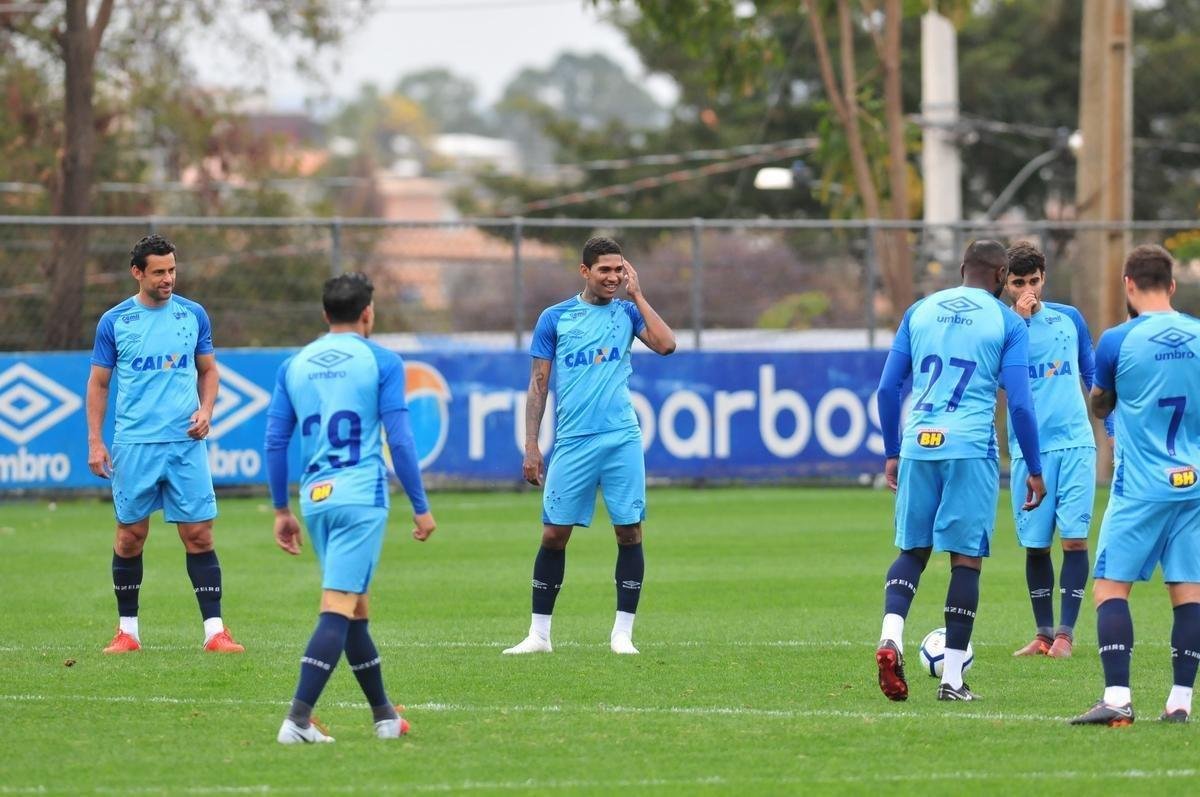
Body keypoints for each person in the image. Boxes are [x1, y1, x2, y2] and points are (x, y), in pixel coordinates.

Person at [264, 272, 436, 744]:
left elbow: (276, 440)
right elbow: (399, 439)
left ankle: (385, 717)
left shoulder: (294, 365)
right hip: (361, 496)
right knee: (338, 604)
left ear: (324, 314)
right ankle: (297, 720)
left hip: (316, 499)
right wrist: (420, 506)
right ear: (367, 314)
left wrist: (281, 509)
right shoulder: (381, 361)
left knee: (355, 605)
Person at [874, 239, 1046, 702]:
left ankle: (891, 635)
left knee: (912, 551)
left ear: (963, 268)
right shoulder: (1008, 321)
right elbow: (1022, 406)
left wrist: (893, 450)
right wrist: (1033, 467)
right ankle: (952, 680)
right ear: (999, 277)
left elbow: (889, 389)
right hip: (970, 447)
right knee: (965, 561)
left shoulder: (920, 311)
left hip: (919, 443)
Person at [503, 236, 676, 656]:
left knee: (629, 532)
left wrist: (638, 293)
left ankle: (622, 634)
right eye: (605, 270)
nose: (614, 277)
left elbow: (667, 344)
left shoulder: (628, 312)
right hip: (573, 441)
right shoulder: (556, 318)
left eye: (620, 269)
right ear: (585, 272)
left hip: (621, 439)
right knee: (553, 535)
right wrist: (531, 444)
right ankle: (539, 635)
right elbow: (538, 385)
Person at [87, 234, 243, 655]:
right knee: (130, 536)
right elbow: (99, 383)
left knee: (199, 535)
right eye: (159, 271)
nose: (168, 278)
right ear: (137, 272)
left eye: (172, 269)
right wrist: (96, 441)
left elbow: (208, 371)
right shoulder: (115, 321)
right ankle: (127, 633)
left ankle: (215, 632)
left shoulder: (193, 315)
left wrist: (206, 410)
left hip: (184, 443)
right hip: (135, 444)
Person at [1070, 245, 1200, 727]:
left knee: (1109, 590)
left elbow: (1100, 403)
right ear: (1171, 285)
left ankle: (1118, 697)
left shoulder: (1117, 340)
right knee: (1189, 592)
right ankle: (1180, 701)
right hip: (1193, 484)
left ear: (1127, 284)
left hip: (1141, 486)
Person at [1003, 242, 1099, 659]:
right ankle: (1042, 633)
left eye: (1033, 280)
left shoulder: (1069, 319)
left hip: (1076, 443)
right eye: (1018, 282)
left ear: (1044, 278)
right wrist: (1019, 324)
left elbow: (1091, 371)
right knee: (1036, 544)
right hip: (1030, 452)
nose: (1028, 289)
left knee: (1074, 541)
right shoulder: (1002, 328)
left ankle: (1065, 634)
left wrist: (1110, 426)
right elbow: (1005, 381)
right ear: (1005, 284)